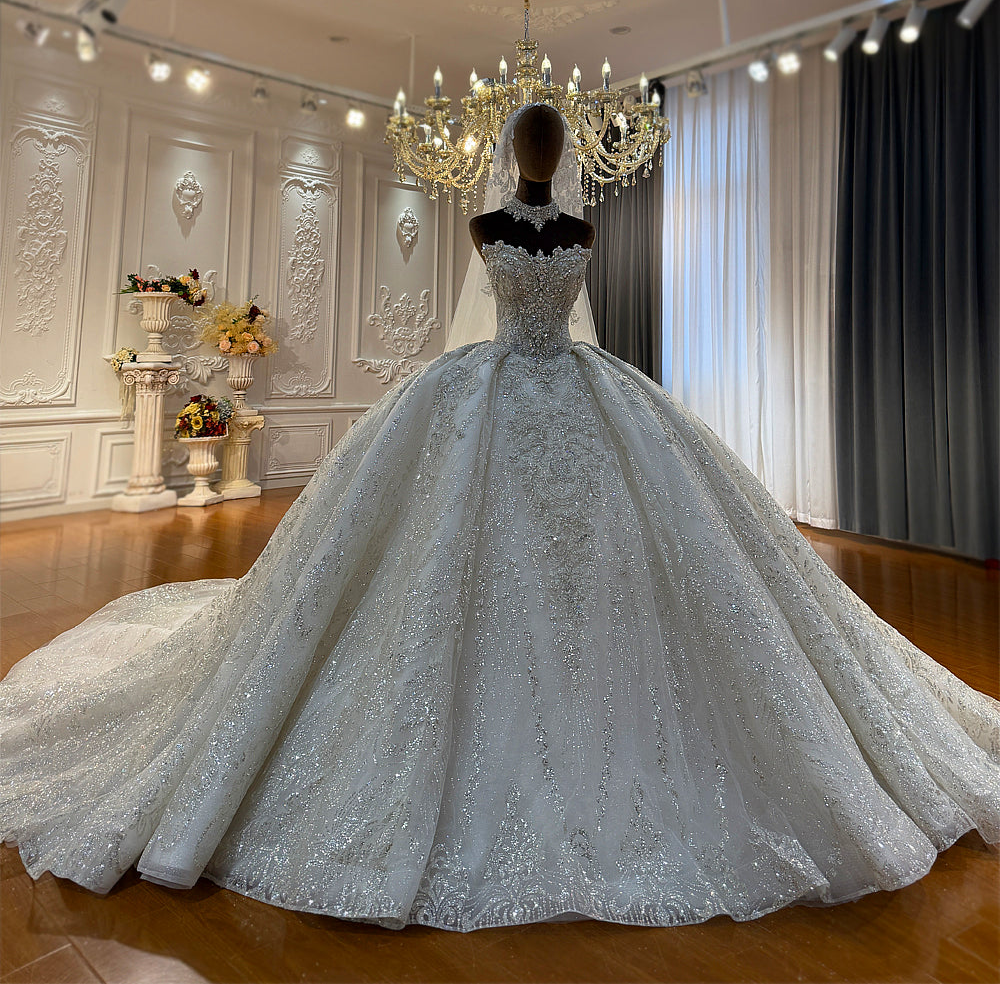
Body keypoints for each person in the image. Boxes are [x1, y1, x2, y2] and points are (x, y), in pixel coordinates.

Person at [1, 104, 997, 933]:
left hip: (571, 385)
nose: (543, 155)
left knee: (615, 555)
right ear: (524, 153)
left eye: (548, 145)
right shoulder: (496, 227)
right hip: (494, 388)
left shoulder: (575, 232)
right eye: (536, 143)